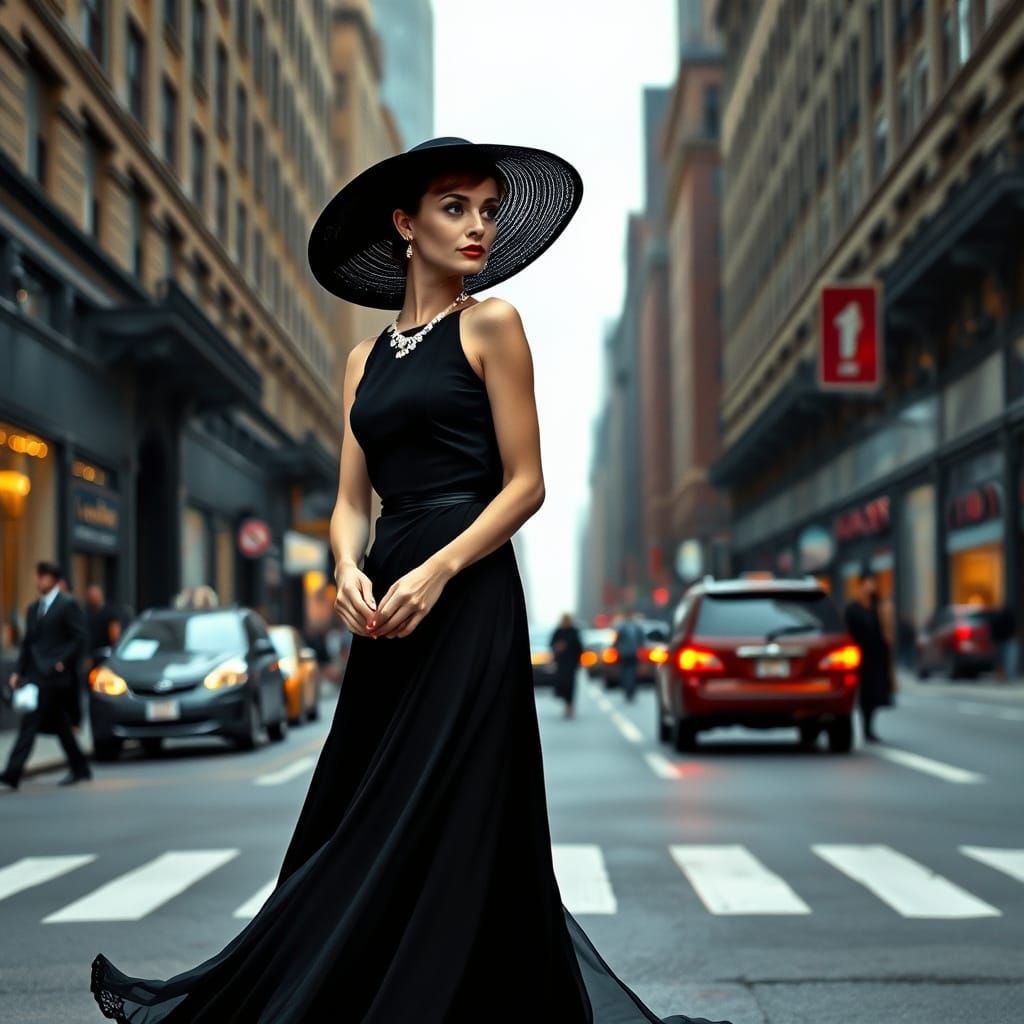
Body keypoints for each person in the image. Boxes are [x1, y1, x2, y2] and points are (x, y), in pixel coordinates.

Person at [90, 137, 731, 1024]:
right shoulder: (361, 360)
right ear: (405, 223)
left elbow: (527, 484)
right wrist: (346, 568)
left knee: (456, 799)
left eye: (489, 210)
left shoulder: (493, 325)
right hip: (383, 605)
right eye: (455, 207)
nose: (478, 227)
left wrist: (438, 568)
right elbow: (350, 500)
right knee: (360, 803)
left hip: (465, 595)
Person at [0, 561, 92, 789]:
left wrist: (62, 661)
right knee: (60, 724)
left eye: (40, 577)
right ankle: (80, 767)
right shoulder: (33, 609)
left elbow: (79, 638)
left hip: (55, 677)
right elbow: (28, 643)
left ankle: (12, 773)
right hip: (35, 674)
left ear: (51, 579)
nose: (37, 581)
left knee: (29, 724)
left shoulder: (67, 604)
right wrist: (18, 673)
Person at [843, 567, 894, 743]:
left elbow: (885, 631)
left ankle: (868, 728)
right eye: (868, 582)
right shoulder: (853, 608)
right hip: (857, 657)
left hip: (876, 656)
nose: (871, 586)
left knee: (873, 693)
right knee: (859, 693)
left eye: (873, 582)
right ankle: (859, 727)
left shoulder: (878, 606)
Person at [550, 612, 584, 718]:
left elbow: (579, 647)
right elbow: (551, 644)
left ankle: (569, 705)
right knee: (562, 683)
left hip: (572, 663)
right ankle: (566, 703)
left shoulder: (574, 631)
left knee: (571, 684)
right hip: (561, 662)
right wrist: (558, 646)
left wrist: (579, 661)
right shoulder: (558, 631)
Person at [613, 608, 645, 703]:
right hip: (630, 653)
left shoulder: (621, 626)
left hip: (626, 653)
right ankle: (630, 690)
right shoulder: (635, 626)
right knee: (630, 672)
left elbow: (616, 640)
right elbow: (641, 640)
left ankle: (628, 690)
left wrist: (616, 648)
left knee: (627, 672)